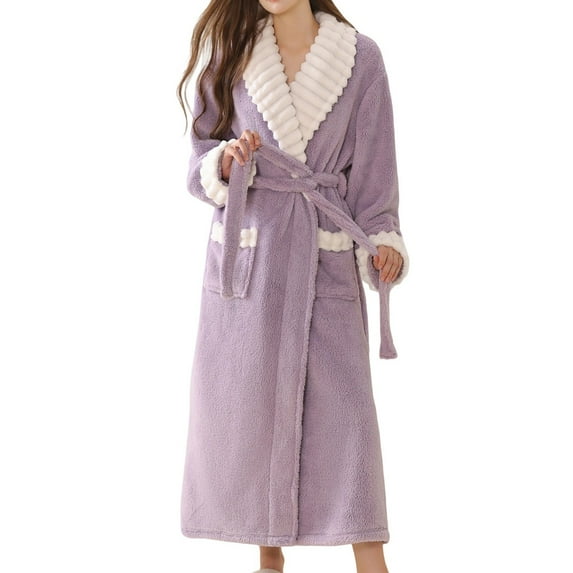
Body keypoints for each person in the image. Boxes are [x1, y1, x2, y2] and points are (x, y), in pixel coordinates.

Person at [176, 1, 409, 572]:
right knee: (253, 413)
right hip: (251, 262)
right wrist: (226, 161)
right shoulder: (232, 52)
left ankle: (371, 562)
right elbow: (199, 160)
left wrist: (384, 243)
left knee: (348, 426)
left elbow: (375, 180)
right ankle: (269, 558)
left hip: (323, 256)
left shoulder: (361, 60)